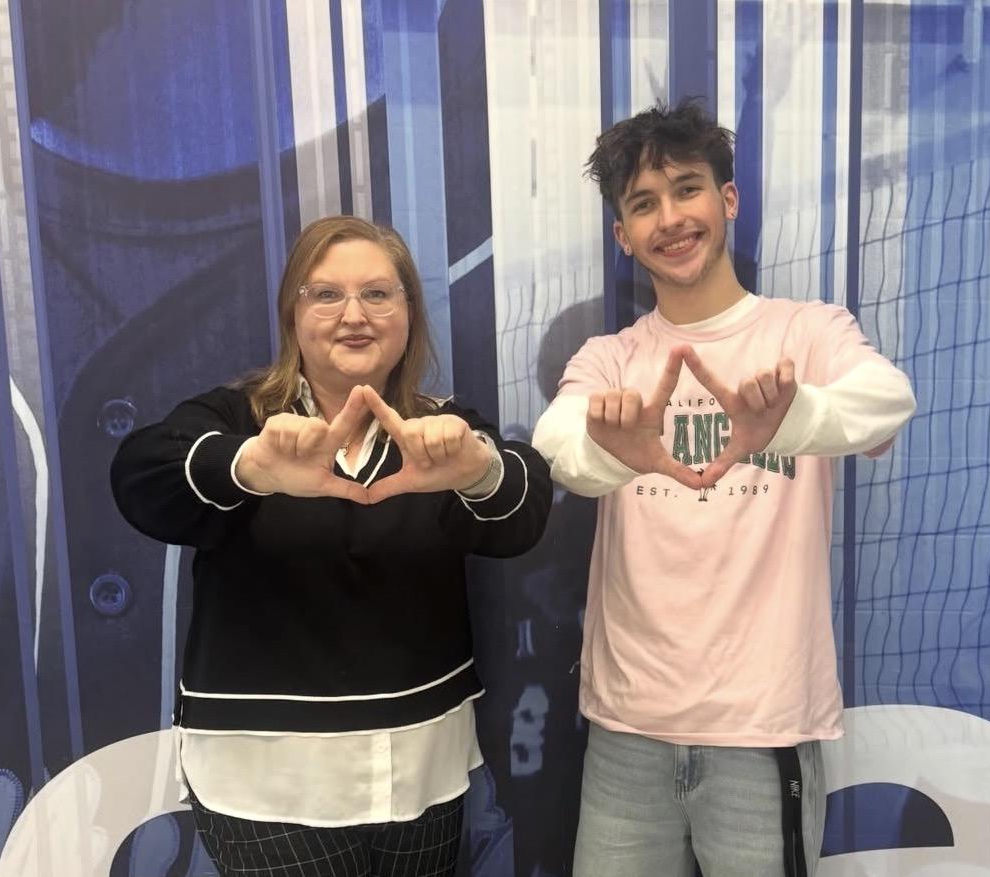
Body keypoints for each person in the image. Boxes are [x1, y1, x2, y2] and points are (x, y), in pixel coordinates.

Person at [532, 100, 917, 876]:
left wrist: (788, 419)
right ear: (623, 234)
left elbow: (886, 402)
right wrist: (623, 451)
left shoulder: (805, 332)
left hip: (762, 729)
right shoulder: (609, 357)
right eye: (643, 204)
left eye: (688, 189)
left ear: (728, 199)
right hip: (627, 731)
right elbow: (559, 449)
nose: (670, 218)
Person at [110, 215, 552, 877]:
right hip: (270, 782)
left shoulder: (441, 428)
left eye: (378, 293)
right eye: (326, 294)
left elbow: (522, 512)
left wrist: (476, 470)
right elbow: (141, 474)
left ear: (408, 313)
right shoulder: (241, 419)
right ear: (293, 313)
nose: (354, 314)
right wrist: (249, 468)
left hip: (420, 771)